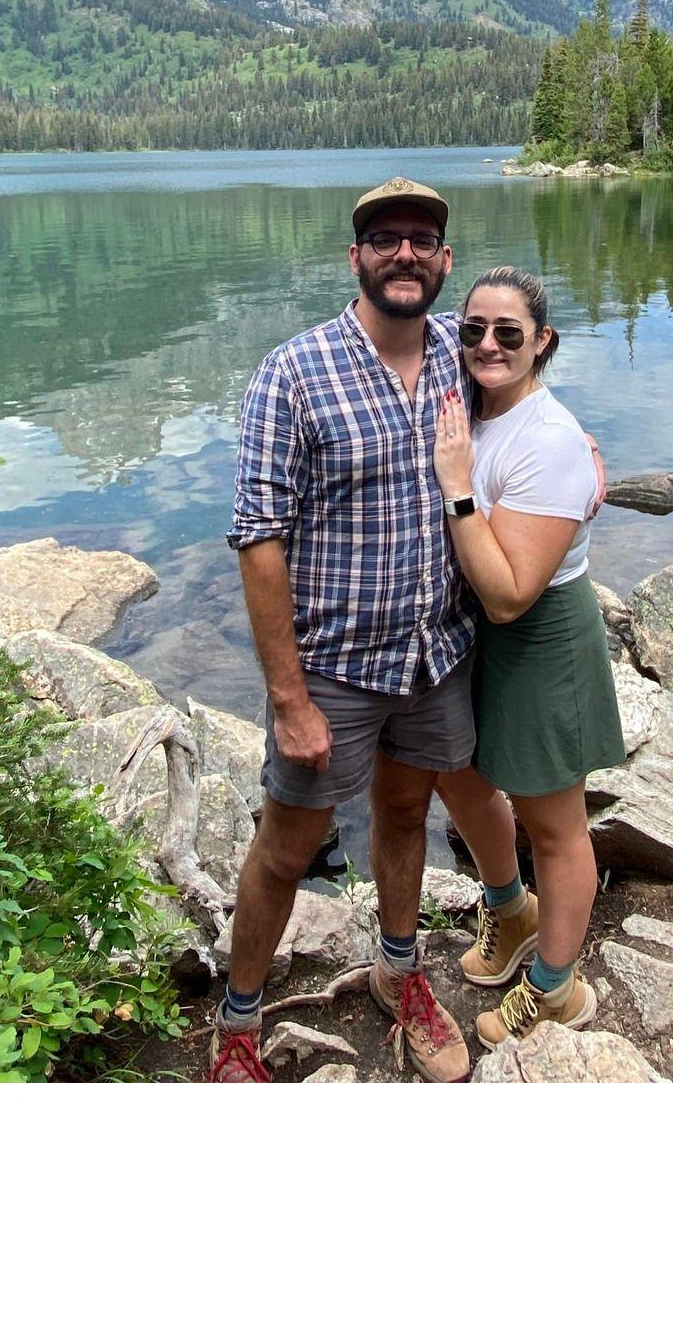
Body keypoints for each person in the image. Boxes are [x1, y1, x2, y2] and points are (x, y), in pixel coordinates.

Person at [212, 176, 526, 1083]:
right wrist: (287, 698)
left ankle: (399, 970)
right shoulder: (293, 372)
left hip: (436, 653)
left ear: (444, 260)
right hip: (334, 669)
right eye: (384, 239)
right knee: (287, 845)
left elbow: (522, 412)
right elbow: (259, 539)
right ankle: (237, 1026)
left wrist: (577, 455)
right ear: (356, 257)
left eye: (421, 240)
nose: (404, 254)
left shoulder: (463, 360)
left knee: (403, 812)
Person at [431, 265, 626, 1046]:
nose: (487, 344)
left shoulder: (549, 441)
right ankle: (512, 913)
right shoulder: (470, 406)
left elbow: (512, 592)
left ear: (542, 342)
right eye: (472, 329)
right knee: (460, 774)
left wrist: (457, 489)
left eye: (508, 333)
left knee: (555, 822)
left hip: (540, 636)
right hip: (472, 635)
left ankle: (556, 990)